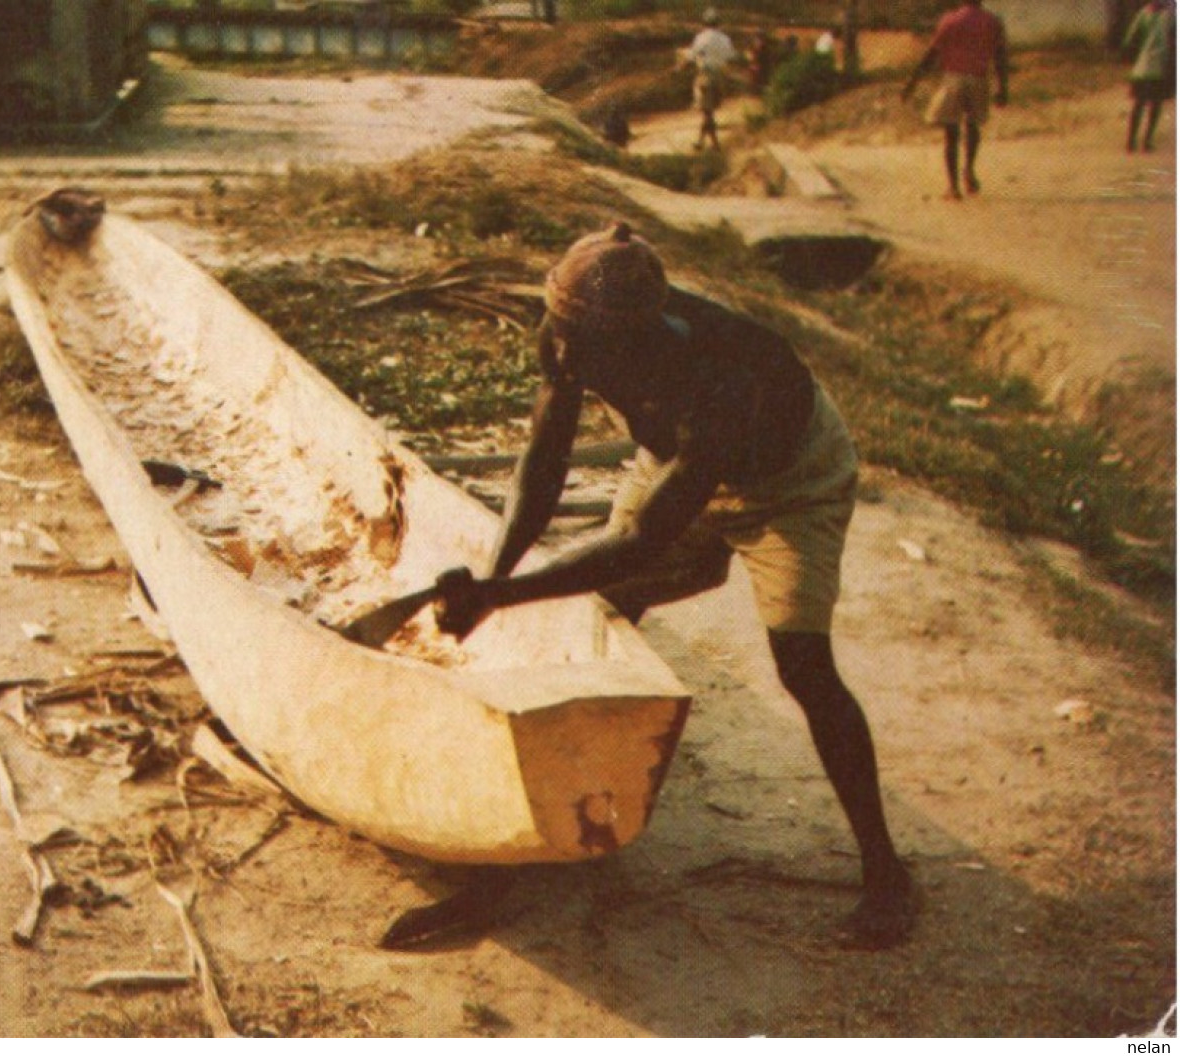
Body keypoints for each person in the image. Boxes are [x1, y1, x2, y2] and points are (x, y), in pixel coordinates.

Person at [382, 224, 917, 953]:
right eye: (559, 332)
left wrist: (497, 600)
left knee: (802, 665)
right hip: (672, 461)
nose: (563, 353)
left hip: (788, 483)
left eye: (581, 344)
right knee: (599, 623)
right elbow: (542, 463)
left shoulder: (724, 375)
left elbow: (644, 540)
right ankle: (545, 831)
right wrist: (492, 578)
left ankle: (887, 874)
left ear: (634, 342)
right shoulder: (571, 330)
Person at [902, 0, 1009, 201]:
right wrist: (1002, 88)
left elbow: (932, 53)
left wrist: (912, 82)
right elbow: (1000, 56)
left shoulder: (950, 21)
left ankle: (953, 187)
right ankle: (968, 169)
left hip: (954, 79)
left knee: (951, 133)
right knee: (973, 126)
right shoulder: (993, 22)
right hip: (979, 78)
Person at [1123, 0, 1177, 153]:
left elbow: (1130, 39)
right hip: (1161, 66)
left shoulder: (1143, 13)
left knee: (1138, 104)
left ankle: (1131, 141)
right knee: (1156, 104)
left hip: (1142, 67)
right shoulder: (1171, 15)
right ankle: (1147, 141)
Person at [686, 8, 737, 151]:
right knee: (709, 112)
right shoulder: (725, 39)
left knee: (707, 111)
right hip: (719, 76)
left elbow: (691, 56)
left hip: (705, 76)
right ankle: (702, 142)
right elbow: (731, 56)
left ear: (704, 23)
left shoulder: (700, 38)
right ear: (718, 23)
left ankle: (714, 144)